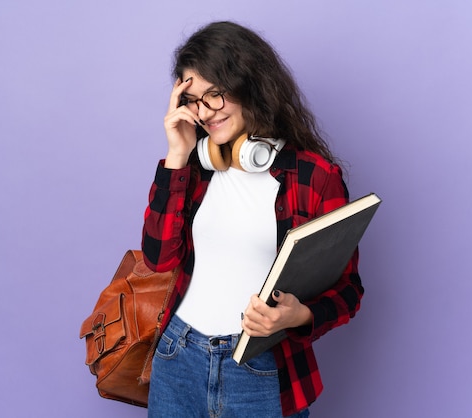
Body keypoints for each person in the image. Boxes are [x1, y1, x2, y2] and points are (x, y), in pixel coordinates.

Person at [141, 21, 363, 417]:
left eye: (215, 94)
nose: (205, 112)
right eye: (193, 99)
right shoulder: (194, 165)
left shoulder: (314, 177)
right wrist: (176, 156)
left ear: (250, 86)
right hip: (178, 356)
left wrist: (299, 315)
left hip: (260, 368)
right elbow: (158, 258)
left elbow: (348, 289)